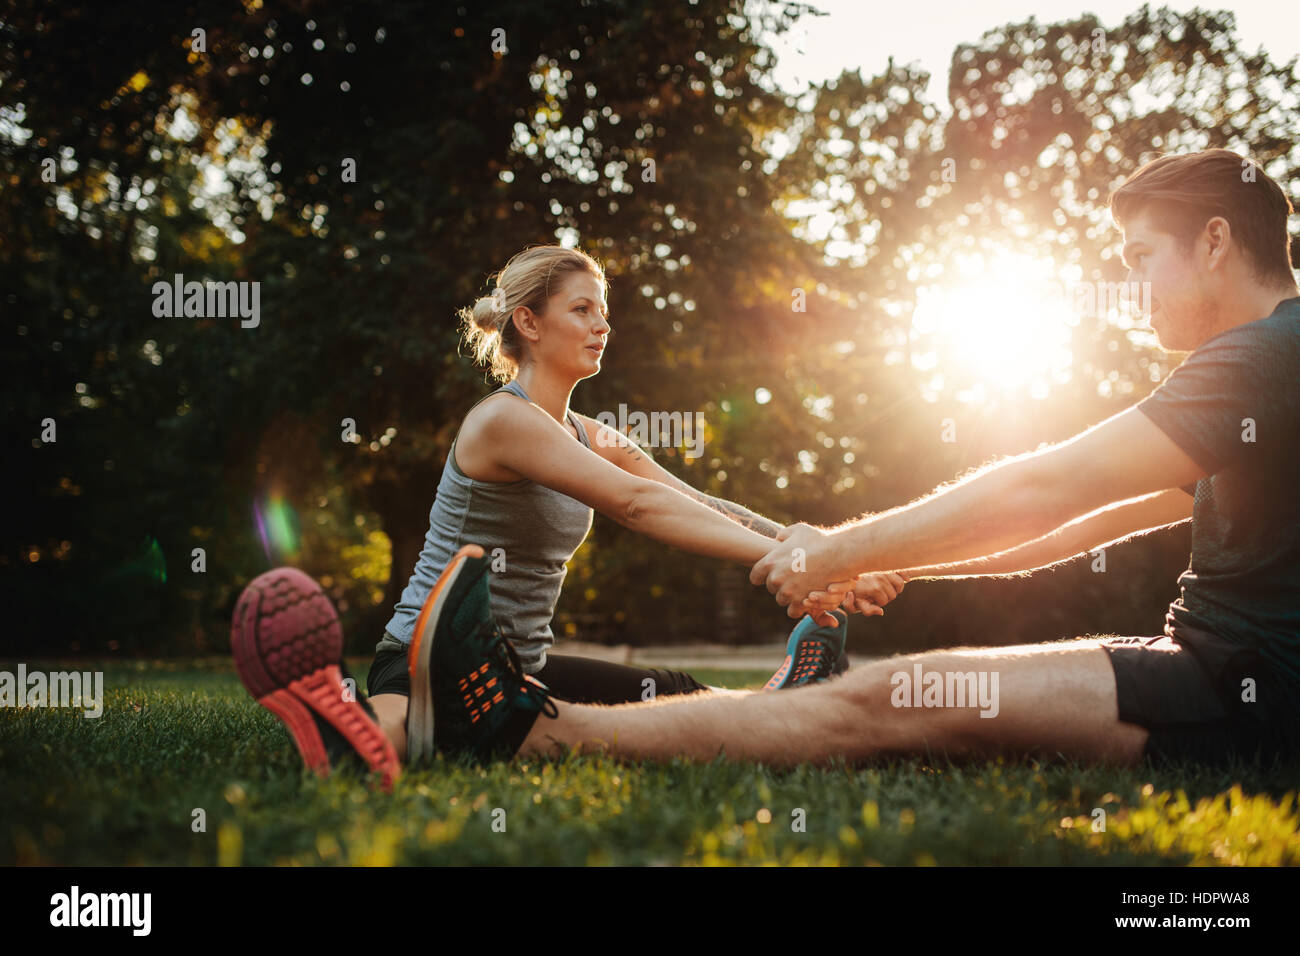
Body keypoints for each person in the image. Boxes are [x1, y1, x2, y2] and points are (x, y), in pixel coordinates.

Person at [402, 149, 1299, 771]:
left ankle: (525, 735)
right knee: (907, 691)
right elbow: (1077, 522)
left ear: (1215, 242)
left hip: (1236, 694)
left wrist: (835, 556)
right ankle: (497, 715)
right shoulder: (1261, 371)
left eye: (1142, 259)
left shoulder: (1262, 357)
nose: (1132, 290)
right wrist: (874, 558)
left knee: (897, 695)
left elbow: (1048, 486)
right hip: (1207, 668)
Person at [231, 245, 906, 780]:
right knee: (402, 737)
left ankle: (796, 694)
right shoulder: (502, 421)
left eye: (603, 311)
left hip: (522, 669)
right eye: (582, 309)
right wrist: (798, 562)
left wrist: (832, 554)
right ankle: (339, 721)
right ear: (529, 321)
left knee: (674, 692)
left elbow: (694, 501)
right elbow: (638, 505)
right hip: (423, 658)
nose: (602, 325)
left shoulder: (592, 434)